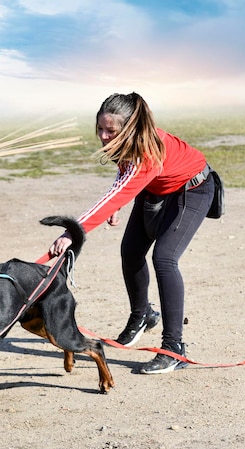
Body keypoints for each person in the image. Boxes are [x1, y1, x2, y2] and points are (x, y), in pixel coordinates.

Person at [45, 92, 214, 374]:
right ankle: (143, 315)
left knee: (164, 259)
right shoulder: (125, 144)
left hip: (192, 189)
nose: (103, 136)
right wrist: (118, 200)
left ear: (129, 128)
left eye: (110, 130)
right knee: (131, 252)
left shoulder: (147, 152)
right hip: (156, 189)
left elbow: (128, 178)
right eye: (100, 128)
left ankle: (174, 348)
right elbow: (124, 176)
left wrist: (71, 233)